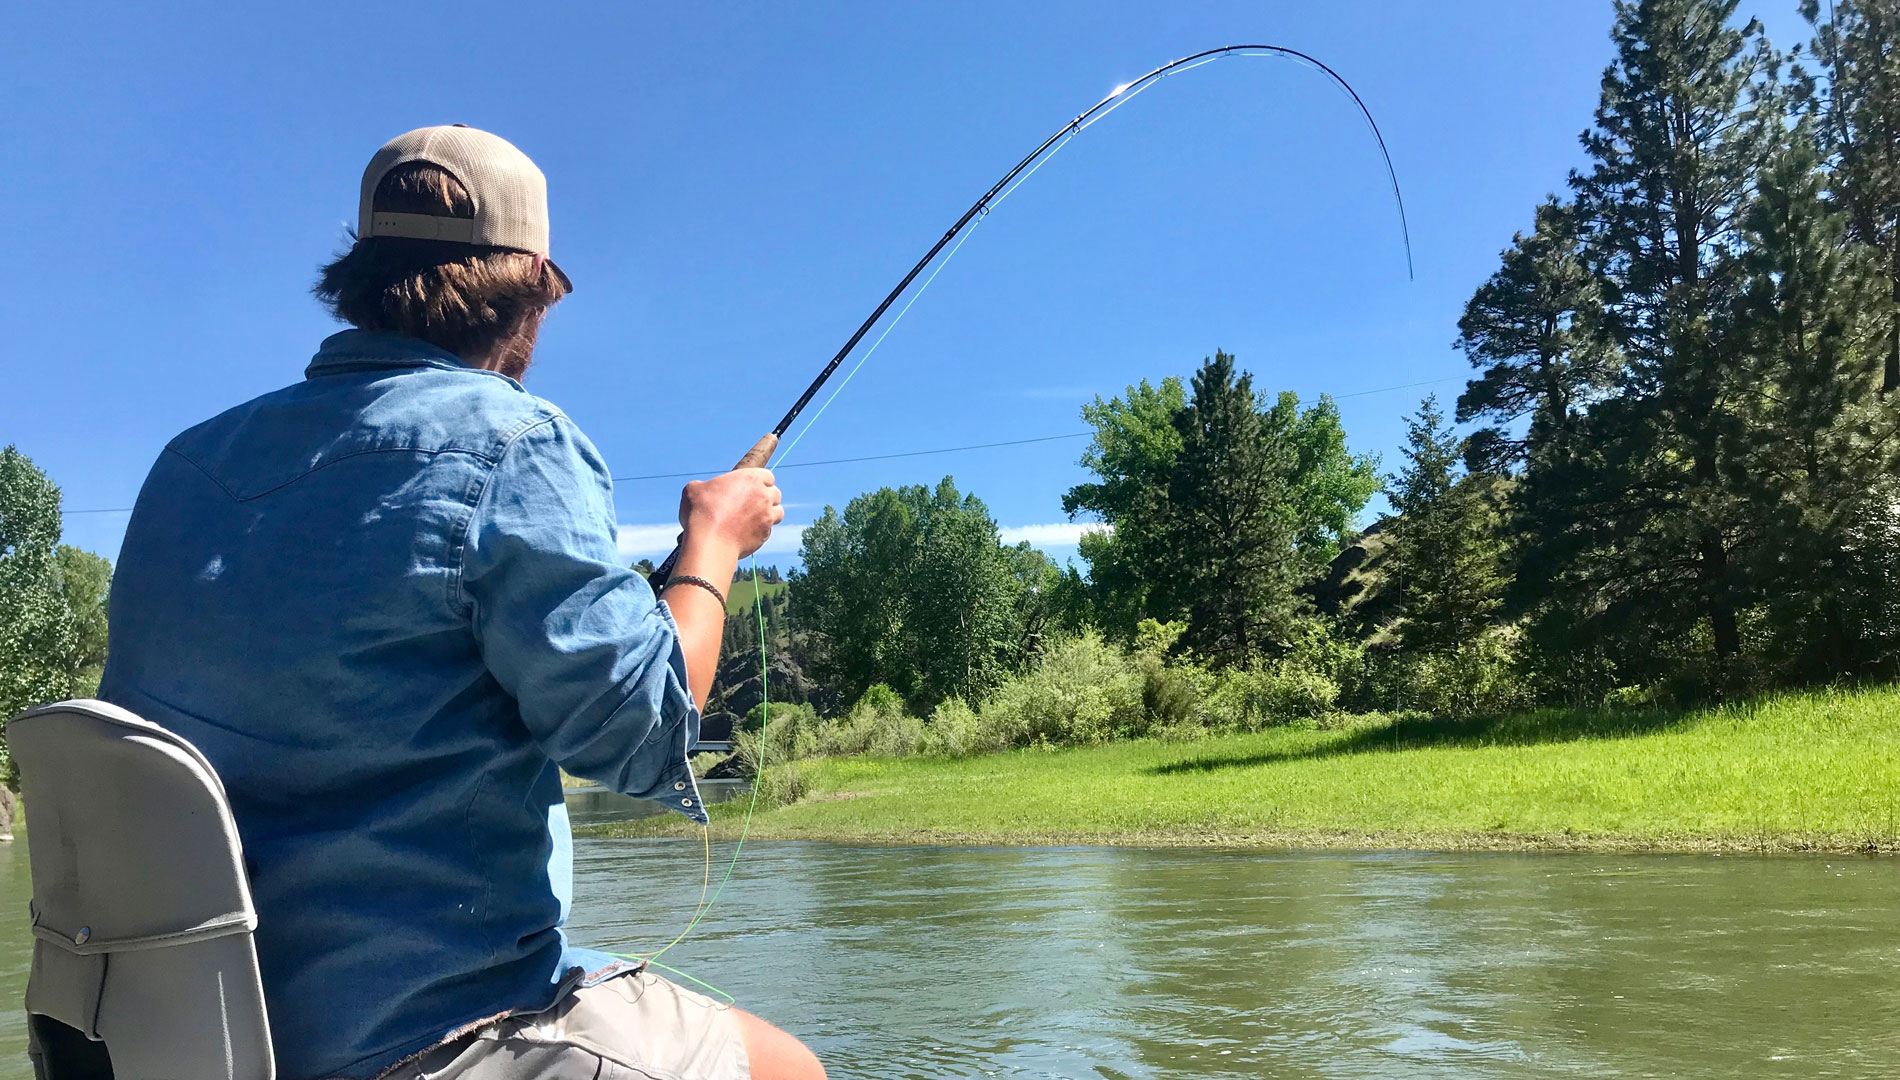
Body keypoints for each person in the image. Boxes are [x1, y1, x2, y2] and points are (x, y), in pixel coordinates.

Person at [99, 125, 823, 1080]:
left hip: (171, 1035)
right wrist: (714, 542)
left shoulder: (183, 467)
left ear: (358, 276)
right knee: (790, 1068)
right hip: (418, 1037)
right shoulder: (514, 442)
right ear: (530, 289)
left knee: (594, 966)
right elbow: (647, 735)